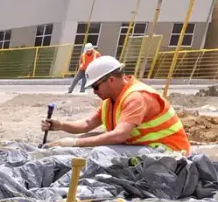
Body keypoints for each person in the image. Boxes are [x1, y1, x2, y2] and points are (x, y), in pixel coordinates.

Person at [41, 55, 190, 154]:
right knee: (90, 138)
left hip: (168, 153)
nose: (94, 92)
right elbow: (87, 124)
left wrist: (75, 143)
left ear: (111, 80)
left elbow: (119, 135)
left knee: (102, 152)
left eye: (95, 87)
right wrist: (60, 125)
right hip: (145, 147)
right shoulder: (111, 100)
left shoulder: (136, 97)